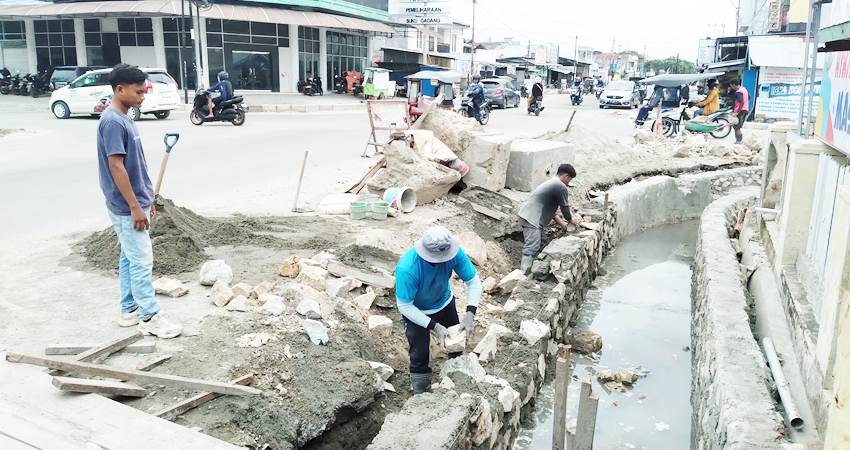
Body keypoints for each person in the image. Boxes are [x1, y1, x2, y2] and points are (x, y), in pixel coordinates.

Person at [97, 64, 182, 339]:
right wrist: (135, 206)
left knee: (129, 257)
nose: (143, 96)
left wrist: (147, 201)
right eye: (138, 91)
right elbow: (116, 167)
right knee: (143, 260)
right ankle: (149, 316)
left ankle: (129, 309)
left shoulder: (125, 117)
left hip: (135, 201)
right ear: (120, 89)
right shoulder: (112, 121)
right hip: (125, 206)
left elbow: (136, 167)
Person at [395, 226, 482, 394]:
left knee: (455, 345)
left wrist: (470, 313)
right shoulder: (407, 268)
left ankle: (458, 380)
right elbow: (405, 306)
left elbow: (473, 281)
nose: (443, 262)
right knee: (419, 355)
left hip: (444, 303)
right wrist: (434, 326)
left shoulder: (454, 252)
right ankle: (421, 394)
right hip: (417, 312)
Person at [518, 164, 581, 273]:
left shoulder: (552, 183)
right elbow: (565, 208)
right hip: (532, 219)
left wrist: (563, 225)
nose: (569, 182)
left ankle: (538, 269)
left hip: (532, 218)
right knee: (532, 246)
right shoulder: (559, 186)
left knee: (542, 243)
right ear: (566, 176)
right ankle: (523, 274)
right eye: (569, 179)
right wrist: (571, 220)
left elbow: (554, 212)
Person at [729, 79, 750, 143]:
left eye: (731, 86)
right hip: (745, 109)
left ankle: (738, 141)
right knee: (737, 126)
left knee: (737, 127)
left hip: (740, 111)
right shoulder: (744, 89)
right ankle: (738, 141)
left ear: (734, 85)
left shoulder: (738, 92)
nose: (731, 88)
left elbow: (742, 101)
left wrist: (737, 112)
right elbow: (749, 97)